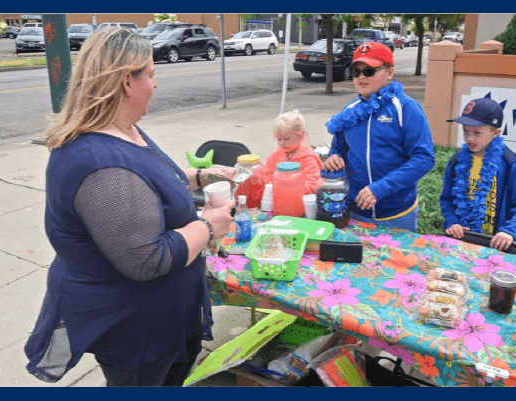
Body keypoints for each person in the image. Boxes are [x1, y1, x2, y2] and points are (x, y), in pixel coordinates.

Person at [24, 28, 237, 387]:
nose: (155, 84)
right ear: (127, 82)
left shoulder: (121, 131)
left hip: (156, 316)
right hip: (135, 329)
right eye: (151, 74)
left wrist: (199, 175)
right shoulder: (100, 164)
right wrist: (209, 225)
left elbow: (148, 181)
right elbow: (146, 260)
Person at [323, 42, 435, 231]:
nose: (361, 77)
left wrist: (381, 188)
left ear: (389, 73)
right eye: (356, 72)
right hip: (355, 210)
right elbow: (339, 147)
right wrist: (334, 156)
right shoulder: (350, 111)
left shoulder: (406, 108)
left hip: (397, 214)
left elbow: (424, 158)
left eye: (368, 71)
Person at [439, 97, 516, 251]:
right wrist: (452, 222)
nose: (469, 138)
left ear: (496, 132)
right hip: (461, 241)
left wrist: (510, 231)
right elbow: (446, 199)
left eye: (477, 133)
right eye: (465, 130)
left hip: (497, 244)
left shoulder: (511, 164)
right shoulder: (456, 162)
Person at [259, 110, 323, 194]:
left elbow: (313, 184)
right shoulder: (275, 156)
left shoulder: (308, 158)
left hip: (299, 201)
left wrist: (291, 189)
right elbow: (266, 176)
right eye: (279, 139)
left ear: (301, 135)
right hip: (278, 199)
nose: (282, 143)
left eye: (287, 139)